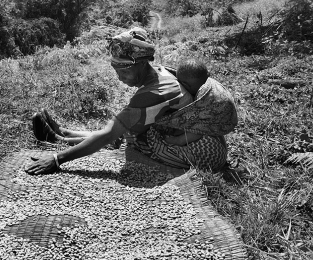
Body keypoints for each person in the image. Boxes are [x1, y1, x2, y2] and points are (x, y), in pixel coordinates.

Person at [25, 28, 235, 176]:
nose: (118, 77)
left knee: (131, 135)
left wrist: (57, 159)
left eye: (122, 70)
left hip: (203, 151)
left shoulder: (154, 93)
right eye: (116, 70)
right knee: (129, 126)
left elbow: (109, 133)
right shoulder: (161, 71)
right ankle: (64, 133)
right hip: (197, 138)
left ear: (142, 64)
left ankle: (59, 141)